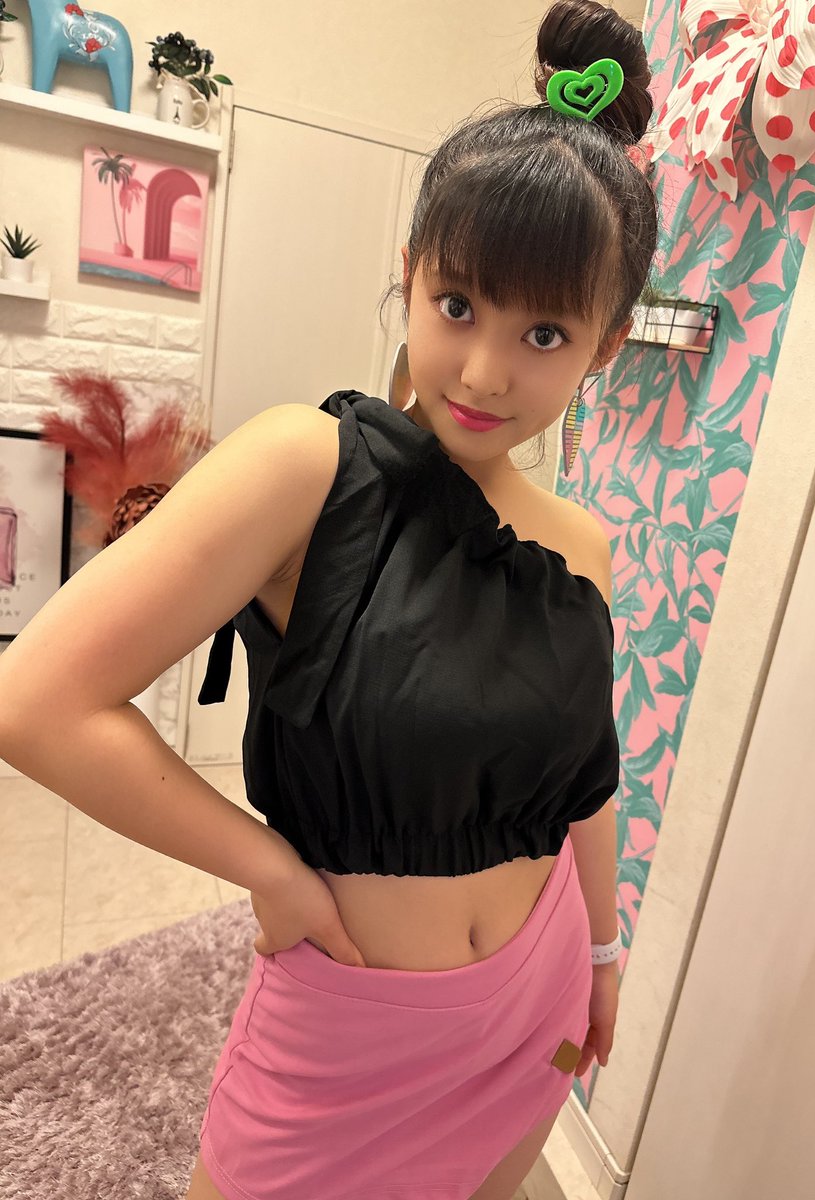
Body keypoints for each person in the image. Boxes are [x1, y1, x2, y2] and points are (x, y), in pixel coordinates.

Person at [0, 2, 657, 1198]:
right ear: (409, 277)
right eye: (459, 305)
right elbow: (35, 703)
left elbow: (586, 780)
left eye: (546, 333)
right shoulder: (308, 468)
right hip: (346, 1031)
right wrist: (270, 869)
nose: (484, 370)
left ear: (604, 348)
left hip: (539, 1000)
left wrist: (605, 951)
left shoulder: (582, 548)